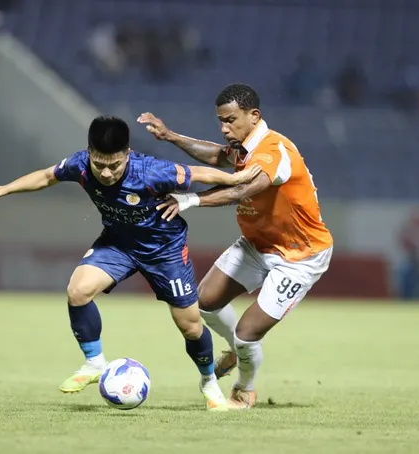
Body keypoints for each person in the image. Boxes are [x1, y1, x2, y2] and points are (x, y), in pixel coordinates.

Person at [0, 115, 261, 411]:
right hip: (118, 244)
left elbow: (197, 173)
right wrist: (0, 190)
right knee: (78, 291)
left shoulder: (150, 171)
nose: (107, 173)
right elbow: (46, 177)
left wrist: (234, 179)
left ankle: (208, 381)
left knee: (190, 326)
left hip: (164, 251)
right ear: (89, 153)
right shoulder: (79, 164)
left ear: (127, 154)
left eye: (115, 165)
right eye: (99, 165)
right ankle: (94, 362)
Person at [138, 83, 334, 409]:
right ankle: (239, 351)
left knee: (247, 333)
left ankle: (244, 389)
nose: (224, 128)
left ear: (253, 116)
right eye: (221, 121)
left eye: (230, 120)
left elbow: (242, 190)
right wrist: (170, 136)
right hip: (257, 245)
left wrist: (189, 199)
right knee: (204, 302)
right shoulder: (244, 146)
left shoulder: (273, 151)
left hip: (300, 256)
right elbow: (217, 155)